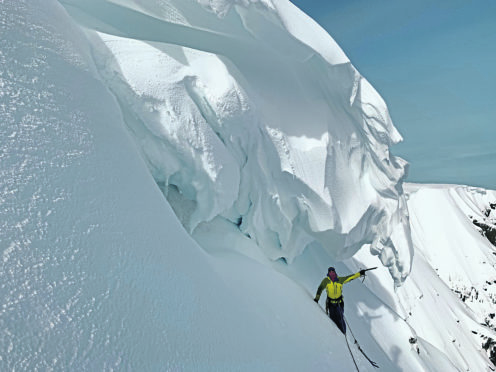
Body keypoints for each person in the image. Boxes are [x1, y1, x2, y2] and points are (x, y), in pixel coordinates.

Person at [314, 267, 365, 334]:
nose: (332, 272)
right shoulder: (326, 281)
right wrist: (317, 298)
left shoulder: (339, 280)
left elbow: (350, 277)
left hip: (339, 303)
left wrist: (359, 274)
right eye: (330, 271)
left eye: (333, 271)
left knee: (340, 319)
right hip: (331, 304)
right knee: (332, 319)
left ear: (335, 272)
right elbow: (320, 289)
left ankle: (343, 335)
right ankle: (336, 335)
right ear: (328, 273)